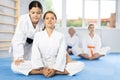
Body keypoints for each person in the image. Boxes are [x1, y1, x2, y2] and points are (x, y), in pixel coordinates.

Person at [31, 11, 84, 77]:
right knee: (15, 66)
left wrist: (55, 69)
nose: (49, 20)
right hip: (42, 64)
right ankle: (44, 71)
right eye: (47, 18)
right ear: (44, 21)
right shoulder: (38, 35)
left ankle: (54, 71)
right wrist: (42, 68)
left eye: (52, 18)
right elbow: (35, 53)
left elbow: (62, 54)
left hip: (55, 64)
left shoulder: (60, 36)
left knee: (80, 65)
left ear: (55, 21)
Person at [11, 1, 44, 75]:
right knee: (15, 66)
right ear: (29, 12)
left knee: (39, 61)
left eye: (38, 13)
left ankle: (39, 68)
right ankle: (39, 71)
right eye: (33, 13)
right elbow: (18, 40)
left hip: (34, 47)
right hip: (23, 45)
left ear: (41, 13)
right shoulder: (23, 20)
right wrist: (18, 57)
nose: (36, 15)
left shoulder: (43, 22)